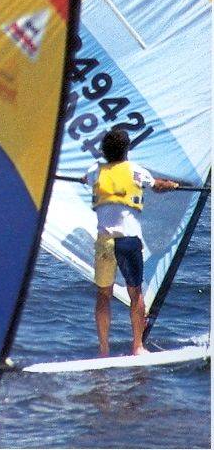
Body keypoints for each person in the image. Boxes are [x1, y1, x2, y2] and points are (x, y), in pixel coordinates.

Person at [83, 127, 179, 356]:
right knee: (136, 294)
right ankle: (137, 346)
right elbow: (157, 186)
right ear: (126, 150)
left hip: (105, 242)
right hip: (128, 242)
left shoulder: (94, 171)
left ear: (104, 150)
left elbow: (85, 179)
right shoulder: (136, 171)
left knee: (103, 295)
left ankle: (104, 350)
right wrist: (173, 185)